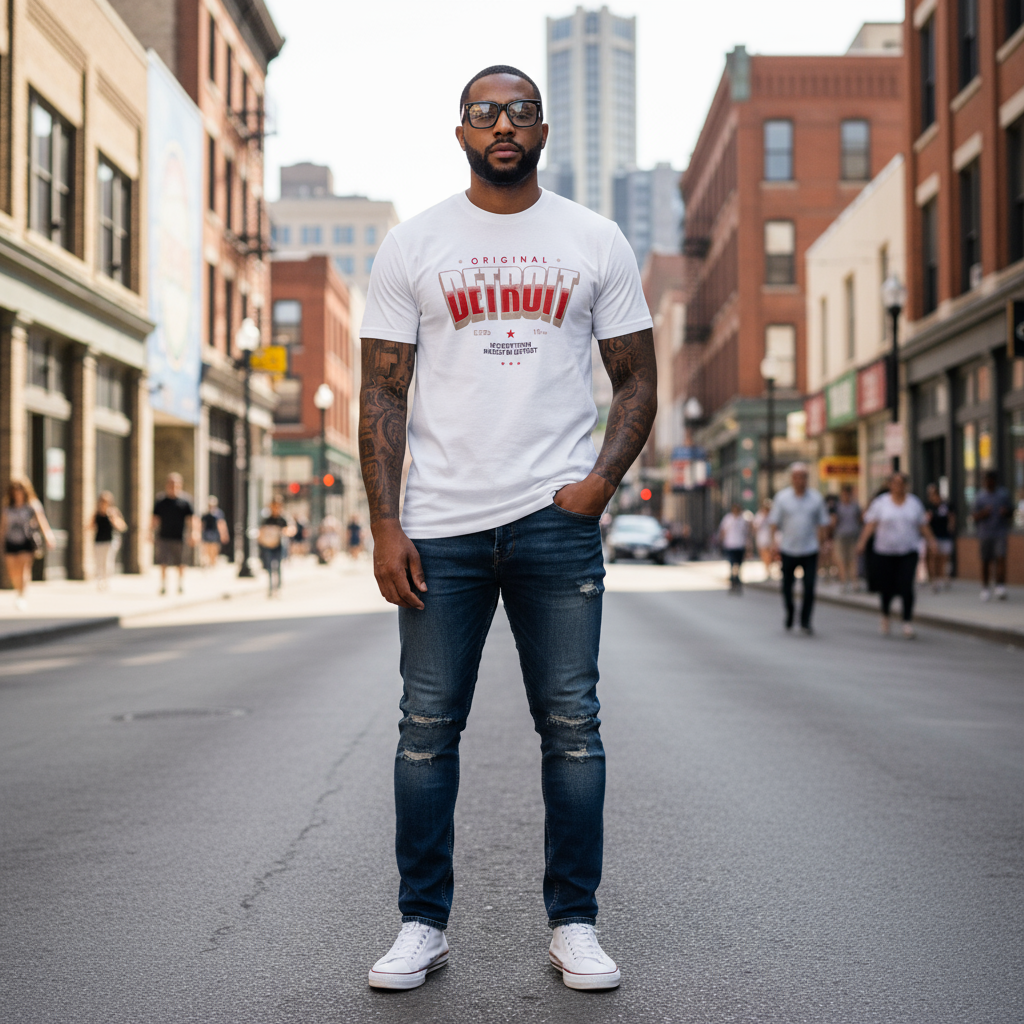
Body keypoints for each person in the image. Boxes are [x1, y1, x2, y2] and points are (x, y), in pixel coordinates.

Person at [359, 65, 655, 993]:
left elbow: (637, 378)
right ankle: (421, 924)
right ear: (460, 131)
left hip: (553, 524)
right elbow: (381, 390)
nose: (503, 124)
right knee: (424, 729)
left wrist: (598, 485)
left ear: (543, 130)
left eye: (520, 112)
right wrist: (384, 523)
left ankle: (575, 924)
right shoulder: (415, 243)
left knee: (572, 727)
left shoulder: (593, 238)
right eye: (485, 111)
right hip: (440, 527)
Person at [857, 473, 936, 638]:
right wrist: (862, 542)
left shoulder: (914, 503)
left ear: (906, 485)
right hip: (885, 551)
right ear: (890, 485)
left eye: (901, 483)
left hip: (908, 551)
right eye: (895, 483)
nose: (898, 486)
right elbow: (871, 524)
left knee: (906, 585)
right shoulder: (881, 503)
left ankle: (907, 621)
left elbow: (922, 524)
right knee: (887, 587)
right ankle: (885, 614)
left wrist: (931, 541)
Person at [768, 463, 831, 634]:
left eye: (803, 477)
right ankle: (790, 612)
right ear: (792, 479)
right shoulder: (782, 498)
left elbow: (823, 524)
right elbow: (774, 523)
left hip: (810, 548)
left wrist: (824, 544)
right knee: (787, 586)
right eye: (796, 477)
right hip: (788, 548)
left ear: (807, 479)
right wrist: (773, 543)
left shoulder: (816, 498)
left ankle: (805, 620)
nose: (799, 480)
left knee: (809, 586)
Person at [2, 476, 55, 609]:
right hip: (10, 541)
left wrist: (48, 536)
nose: (17, 492)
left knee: (24, 569)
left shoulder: (32, 505)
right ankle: (18, 591)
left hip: (26, 541)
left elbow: (42, 522)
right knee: (13, 571)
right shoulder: (7, 507)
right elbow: (3, 526)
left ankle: (21, 596)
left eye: (20, 489)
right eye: (14, 489)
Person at [152, 473, 196, 595]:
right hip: (164, 535)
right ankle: (163, 585)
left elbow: (191, 519)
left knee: (181, 562)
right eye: (171, 483)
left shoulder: (185, 501)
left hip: (180, 536)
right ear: (167, 484)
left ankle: (180, 584)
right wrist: (150, 533)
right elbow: (155, 519)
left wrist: (193, 533)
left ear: (180, 485)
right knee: (163, 562)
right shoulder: (161, 500)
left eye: (176, 483)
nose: (173, 486)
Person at [972, 470, 1012, 601]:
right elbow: (974, 516)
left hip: (1000, 532)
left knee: (1001, 558)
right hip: (985, 534)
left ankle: (1000, 586)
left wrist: (1006, 512)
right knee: (985, 561)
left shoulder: (1003, 494)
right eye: (986, 480)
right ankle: (985, 587)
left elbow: (1011, 511)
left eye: (990, 480)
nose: (988, 483)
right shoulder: (980, 496)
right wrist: (983, 513)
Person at [257, 496, 293, 597]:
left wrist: (283, 532)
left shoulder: (282, 519)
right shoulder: (267, 520)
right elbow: (261, 532)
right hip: (268, 546)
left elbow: (290, 530)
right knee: (269, 567)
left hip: (279, 545)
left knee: (277, 566)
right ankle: (271, 588)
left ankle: (278, 587)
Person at [924, 483, 955, 592]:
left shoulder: (945, 505)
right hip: (933, 536)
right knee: (934, 557)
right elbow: (925, 522)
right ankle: (934, 580)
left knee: (944, 558)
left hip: (945, 535)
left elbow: (951, 517)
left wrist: (951, 528)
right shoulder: (929, 507)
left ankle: (944, 577)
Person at [92, 492, 126, 590]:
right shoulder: (97, 513)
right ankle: (99, 581)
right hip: (98, 541)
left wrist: (113, 518)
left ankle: (106, 581)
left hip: (110, 541)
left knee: (107, 562)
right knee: (99, 562)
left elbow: (122, 527)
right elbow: (90, 525)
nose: (104, 504)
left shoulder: (113, 512)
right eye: (102, 502)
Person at [832, 483, 862, 591]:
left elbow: (860, 519)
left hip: (853, 535)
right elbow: (834, 521)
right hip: (841, 536)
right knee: (842, 559)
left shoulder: (855, 506)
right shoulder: (838, 506)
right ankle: (844, 581)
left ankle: (854, 581)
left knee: (852, 559)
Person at [718, 502, 750, 590]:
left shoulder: (743, 519)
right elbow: (723, 530)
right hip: (730, 544)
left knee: (739, 563)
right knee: (732, 562)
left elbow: (747, 533)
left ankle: (738, 577)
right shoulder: (728, 518)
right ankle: (733, 578)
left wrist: (748, 546)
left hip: (740, 544)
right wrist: (721, 542)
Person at [200, 496, 229, 568]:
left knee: (214, 547)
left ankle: (213, 562)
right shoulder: (205, 514)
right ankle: (208, 562)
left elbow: (221, 523)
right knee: (206, 547)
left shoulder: (218, 513)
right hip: (207, 532)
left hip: (214, 532)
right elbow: (202, 524)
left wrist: (224, 534)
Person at [753, 498, 774, 579]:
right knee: (764, 554)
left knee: (770, 554)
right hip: (762, 538)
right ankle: (767, 569)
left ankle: (769, 567)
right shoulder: (759, 515)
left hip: (770, 537)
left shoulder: (772, 515)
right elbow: (755, 526)